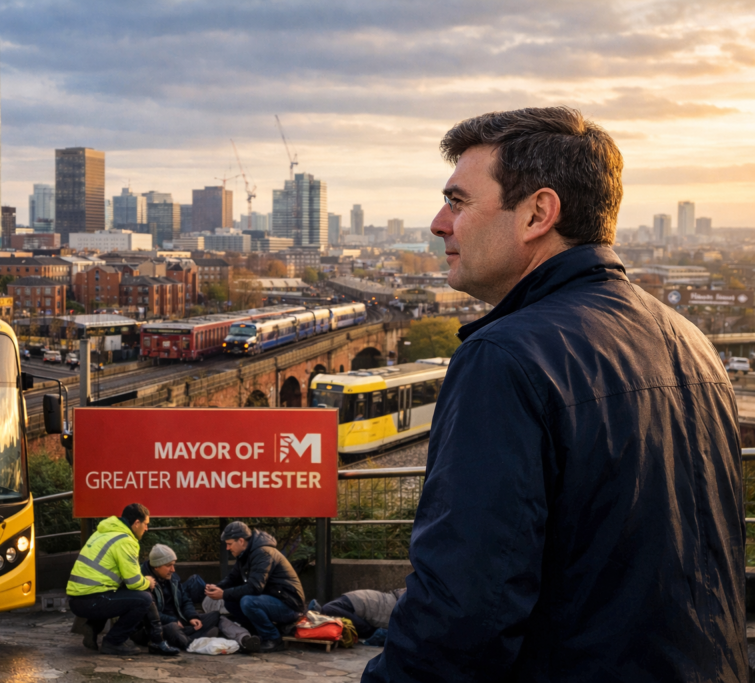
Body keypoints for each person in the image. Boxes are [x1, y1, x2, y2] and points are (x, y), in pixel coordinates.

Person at [363, 107, 745, 682]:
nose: (440, 223)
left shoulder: (507, 357)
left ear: (538, 213)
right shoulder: (689, 342)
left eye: (458, 201)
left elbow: (463, 615)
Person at [66, 503, 179, 657]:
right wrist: (148, 581)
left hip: (77, 600)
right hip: (91, 600)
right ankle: (114, 642)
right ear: (137, 523)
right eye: (146, 524)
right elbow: (134, 582)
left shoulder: (103, 533)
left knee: (121, 592)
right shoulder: (125, 540)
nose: (147, 529)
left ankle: (93, 627)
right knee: (144, 598)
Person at [137, 544, 261, 653]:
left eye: (174, 565)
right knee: (172, 629)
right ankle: (194, 644)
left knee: (217, 616)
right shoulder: (144, 582)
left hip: (183, 622)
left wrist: (192, 617)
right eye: (169, 566)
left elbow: (185, 600)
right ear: (157, 566)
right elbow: (149, 614)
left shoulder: (173, 578)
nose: (173, 570)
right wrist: (172, 620)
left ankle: (245, 640)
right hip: (162, 626)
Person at [204, 521, 305, 653]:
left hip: (290, 606)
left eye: (229, 544)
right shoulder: (245, 554)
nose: (227, 548)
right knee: (230, 601)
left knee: (248, 601)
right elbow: (232, 578)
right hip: (274, 600)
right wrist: (216, 587)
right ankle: (256, 634)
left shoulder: (263, 553)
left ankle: (273, 638)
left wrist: (222, 594)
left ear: (240, 541)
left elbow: (254, 588)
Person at [319, 588, 405, 640]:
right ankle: (317, 609)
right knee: (328, 609)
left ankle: (316, 608)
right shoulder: (405, 603)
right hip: (357, 602)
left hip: (358, 601)